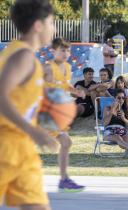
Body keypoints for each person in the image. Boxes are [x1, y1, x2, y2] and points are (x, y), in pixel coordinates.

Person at [0, 0, 57, 210]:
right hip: (5, 144)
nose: (54, 29)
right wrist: (32, 130)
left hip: (22, 148)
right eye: (51, 22)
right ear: (38, 26)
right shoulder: (22, 56)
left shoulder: (24, 56)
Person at [44, 37, 85, 192]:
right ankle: (64, 179)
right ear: (53, 51)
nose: (66, 53)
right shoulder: (48, 68)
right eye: (62, 50)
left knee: (66, 143)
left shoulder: (67, 67)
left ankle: (64, 180)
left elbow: (65, 84)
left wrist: (76, 91)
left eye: (68, 50)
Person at [103, 90, 128, 157]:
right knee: (117, 137)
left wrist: (123, 118)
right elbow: (105, 123)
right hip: (109, 133)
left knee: (126, 137)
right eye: (119, 98)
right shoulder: (108, 108)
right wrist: (112, 110)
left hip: (122, 132)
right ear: (114, 98)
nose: (121, 100)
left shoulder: (125, 110)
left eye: (123, 98)